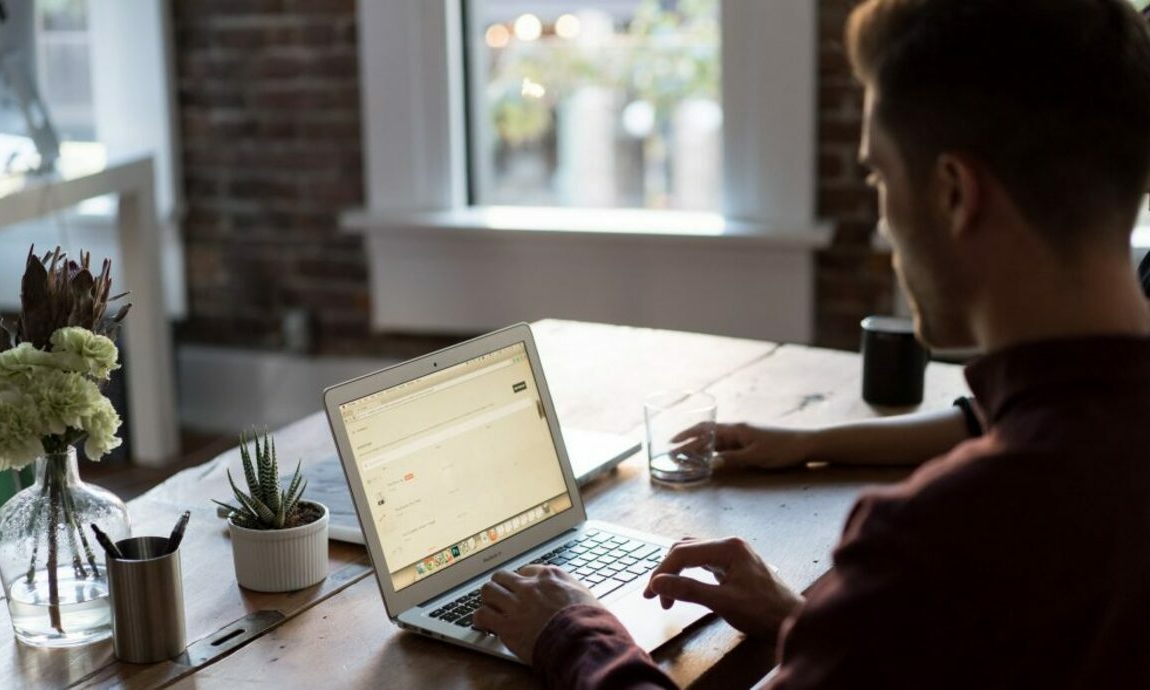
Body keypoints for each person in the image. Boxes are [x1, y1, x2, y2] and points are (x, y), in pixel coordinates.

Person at [471, 0, 1150, 687]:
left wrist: (572, 632)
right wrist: (811, 624)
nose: (884, 231)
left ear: (953, 194)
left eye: (881, 177)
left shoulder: (939, 541)